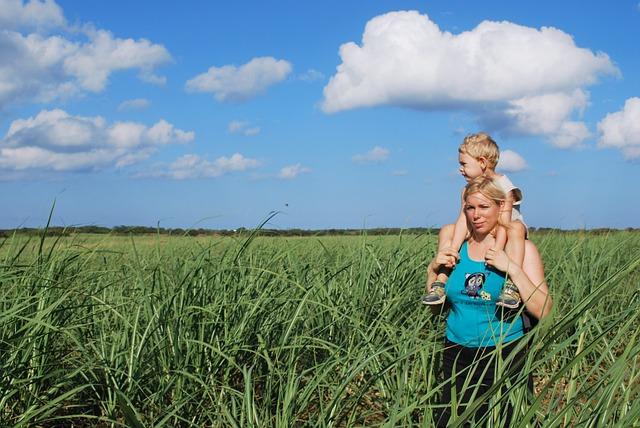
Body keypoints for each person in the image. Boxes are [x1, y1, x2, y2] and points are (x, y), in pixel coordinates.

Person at [427, 176, 552, 426]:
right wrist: (433, 267)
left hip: (503, 355)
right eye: (470, 208)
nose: (476, 215)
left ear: (500, 208)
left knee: (505, 420)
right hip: (456, 353)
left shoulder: (522, 249)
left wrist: (512, 269)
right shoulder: (457, 247)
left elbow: (545, 310)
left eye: (484, 207)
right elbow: (434, 307)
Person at [422, 132, 527, 309]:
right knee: (448, 229)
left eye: (463, 164)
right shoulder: (467, 190)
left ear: (482, 163)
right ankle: (440, 283)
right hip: (479, 227)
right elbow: (463, 219)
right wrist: (453, 249)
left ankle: (511, 287)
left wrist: (497, 250)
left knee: (516, 228)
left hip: (504, 228)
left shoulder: (505, 187)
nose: (460, 169)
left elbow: (504, 223)